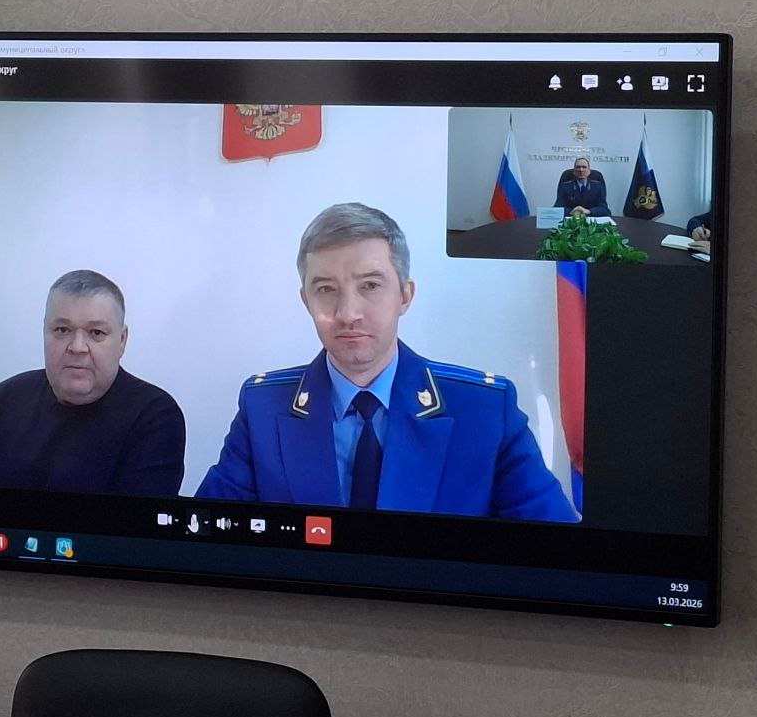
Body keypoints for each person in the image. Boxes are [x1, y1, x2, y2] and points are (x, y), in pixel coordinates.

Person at [196, 203, 577, 521]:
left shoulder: (485, 410)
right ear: (306, 301)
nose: (348, 313)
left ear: (405, 296)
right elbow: (209, 534)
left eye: (370, 285)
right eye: (326, 289)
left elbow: (553, 550)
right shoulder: (263, 407)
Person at [0, 270, 185, 496]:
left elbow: (135, 527)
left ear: (122, 341)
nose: (77, 347)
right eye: (62, 330)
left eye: (96, 333)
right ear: (45, 332)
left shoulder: (155, 416)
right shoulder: (5, 397)